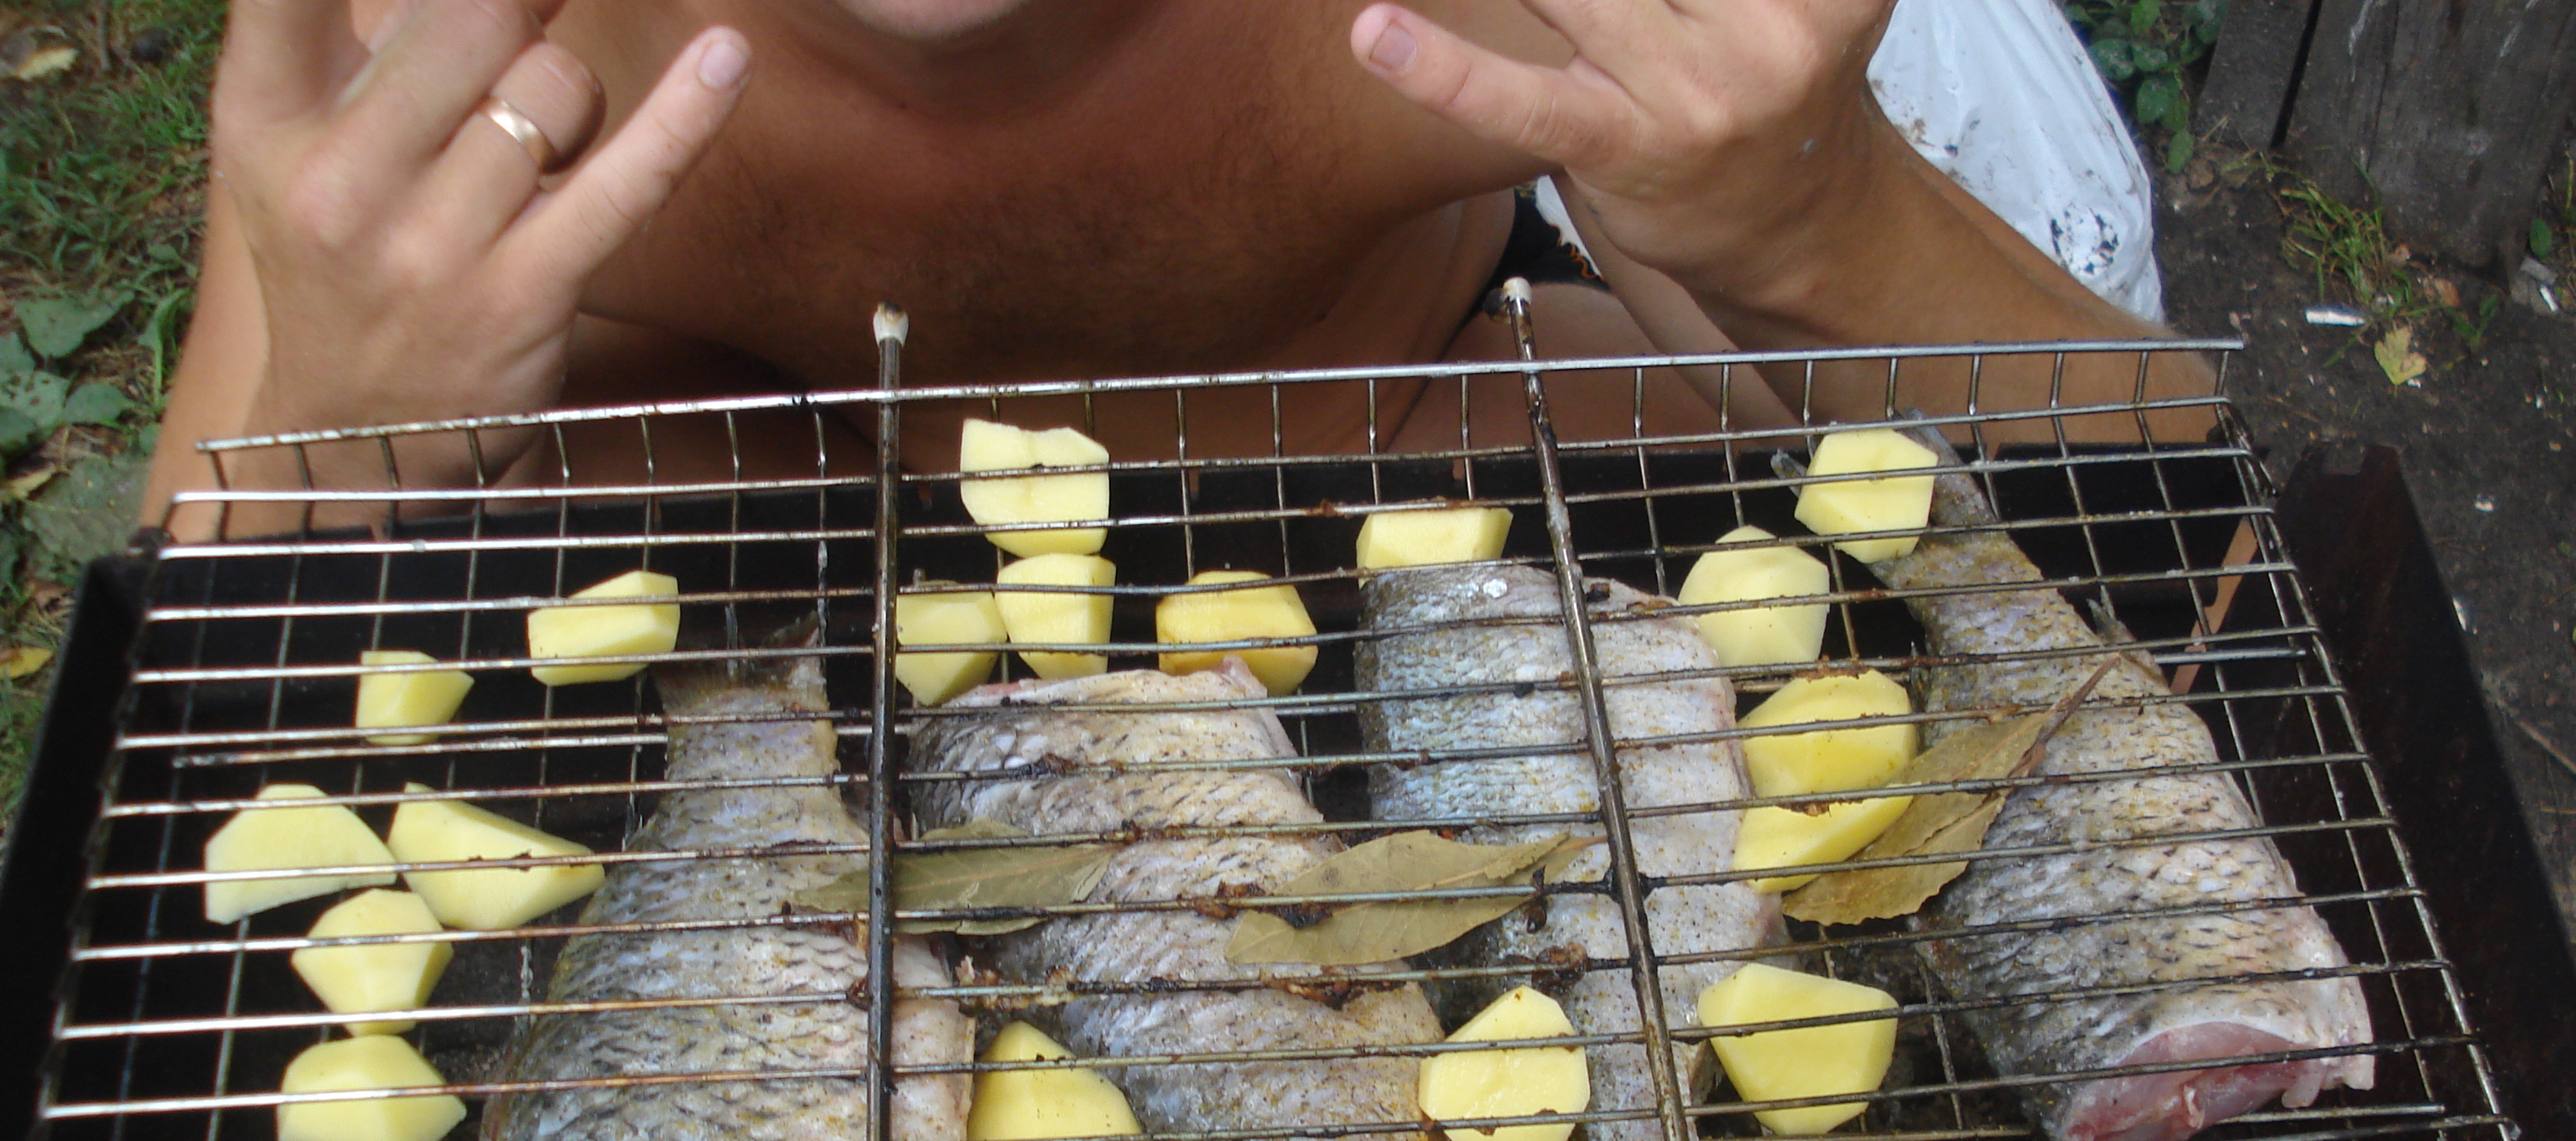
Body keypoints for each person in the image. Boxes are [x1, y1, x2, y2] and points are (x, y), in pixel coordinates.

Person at [143, 0, 2209, 536]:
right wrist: (337, 433)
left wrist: (1816, 226)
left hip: (1405, 439)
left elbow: (2193, 559)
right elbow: (174, 792)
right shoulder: (418, 37)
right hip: (757, 594)